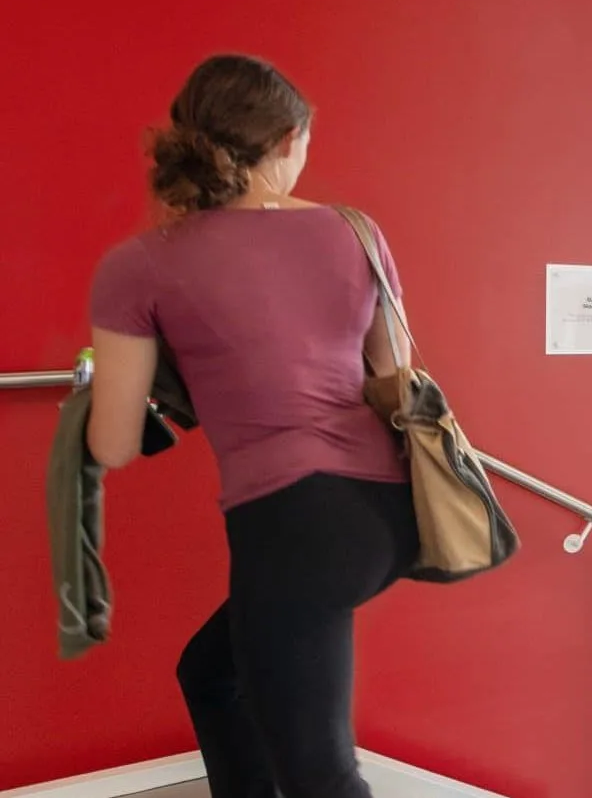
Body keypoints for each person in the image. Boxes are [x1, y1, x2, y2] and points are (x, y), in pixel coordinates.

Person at [85, 55, 418, 798]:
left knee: (320, 775)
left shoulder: (137, 265)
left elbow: (110, 441)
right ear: (289, 138)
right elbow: (392, 373)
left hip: (292, 524)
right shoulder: (356, 232)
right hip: (387, 514)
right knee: (210, 673)